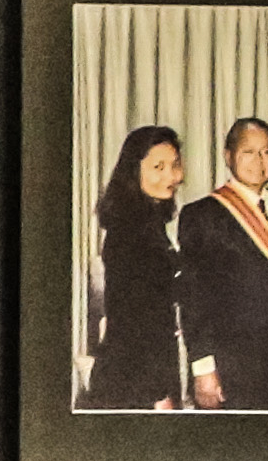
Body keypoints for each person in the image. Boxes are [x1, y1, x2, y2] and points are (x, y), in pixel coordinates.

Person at [175, 116, 268, 409]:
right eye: (249, 152)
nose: (259, 161)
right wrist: (203, 368)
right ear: (228, 156)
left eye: (266, 152)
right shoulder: (202, 214)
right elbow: (193, 296)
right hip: (230, 363)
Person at [79, 124, 187, 409]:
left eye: (175, 165)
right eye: (158, 167)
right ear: (133, 171)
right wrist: (158, 392)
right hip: (132, 379)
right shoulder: (130, 231)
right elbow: (135, 323)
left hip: (140, 371)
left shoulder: (148, 222)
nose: (170, 176)